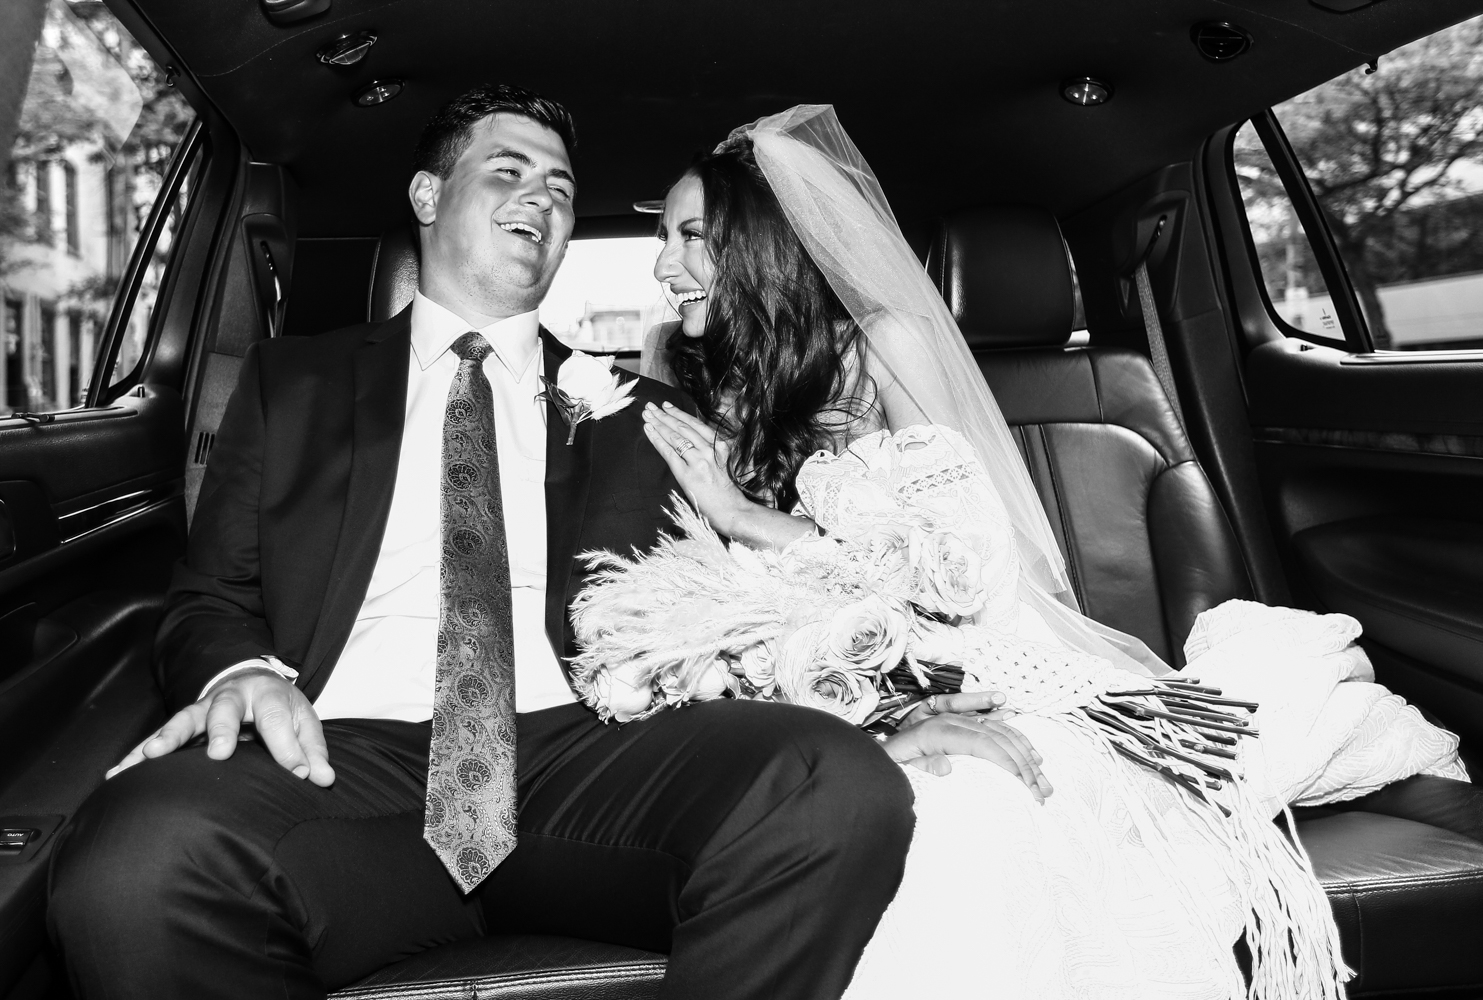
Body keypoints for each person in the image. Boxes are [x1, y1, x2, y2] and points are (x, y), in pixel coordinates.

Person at [45, 86, 915, 1000]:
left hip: (582, 759)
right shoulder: (291, 383)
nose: (541, 198)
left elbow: (745, 606)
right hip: (342, 762)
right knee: (132, 857)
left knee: (832, 782)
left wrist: (886, 710)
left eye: (561, 188)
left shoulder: (653, 419)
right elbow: (209, 600)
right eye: (509, 171)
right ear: (427, 196)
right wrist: (242, 674)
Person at [633, 106, 1469, 999]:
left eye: (692, 236)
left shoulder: (886, 347)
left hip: (972, 661)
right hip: (820, 683)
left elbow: (955, 575)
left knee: (966, 807)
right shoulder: (696, 374)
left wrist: (750, 517)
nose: (662, 264)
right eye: (664, 239)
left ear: (763, 245)